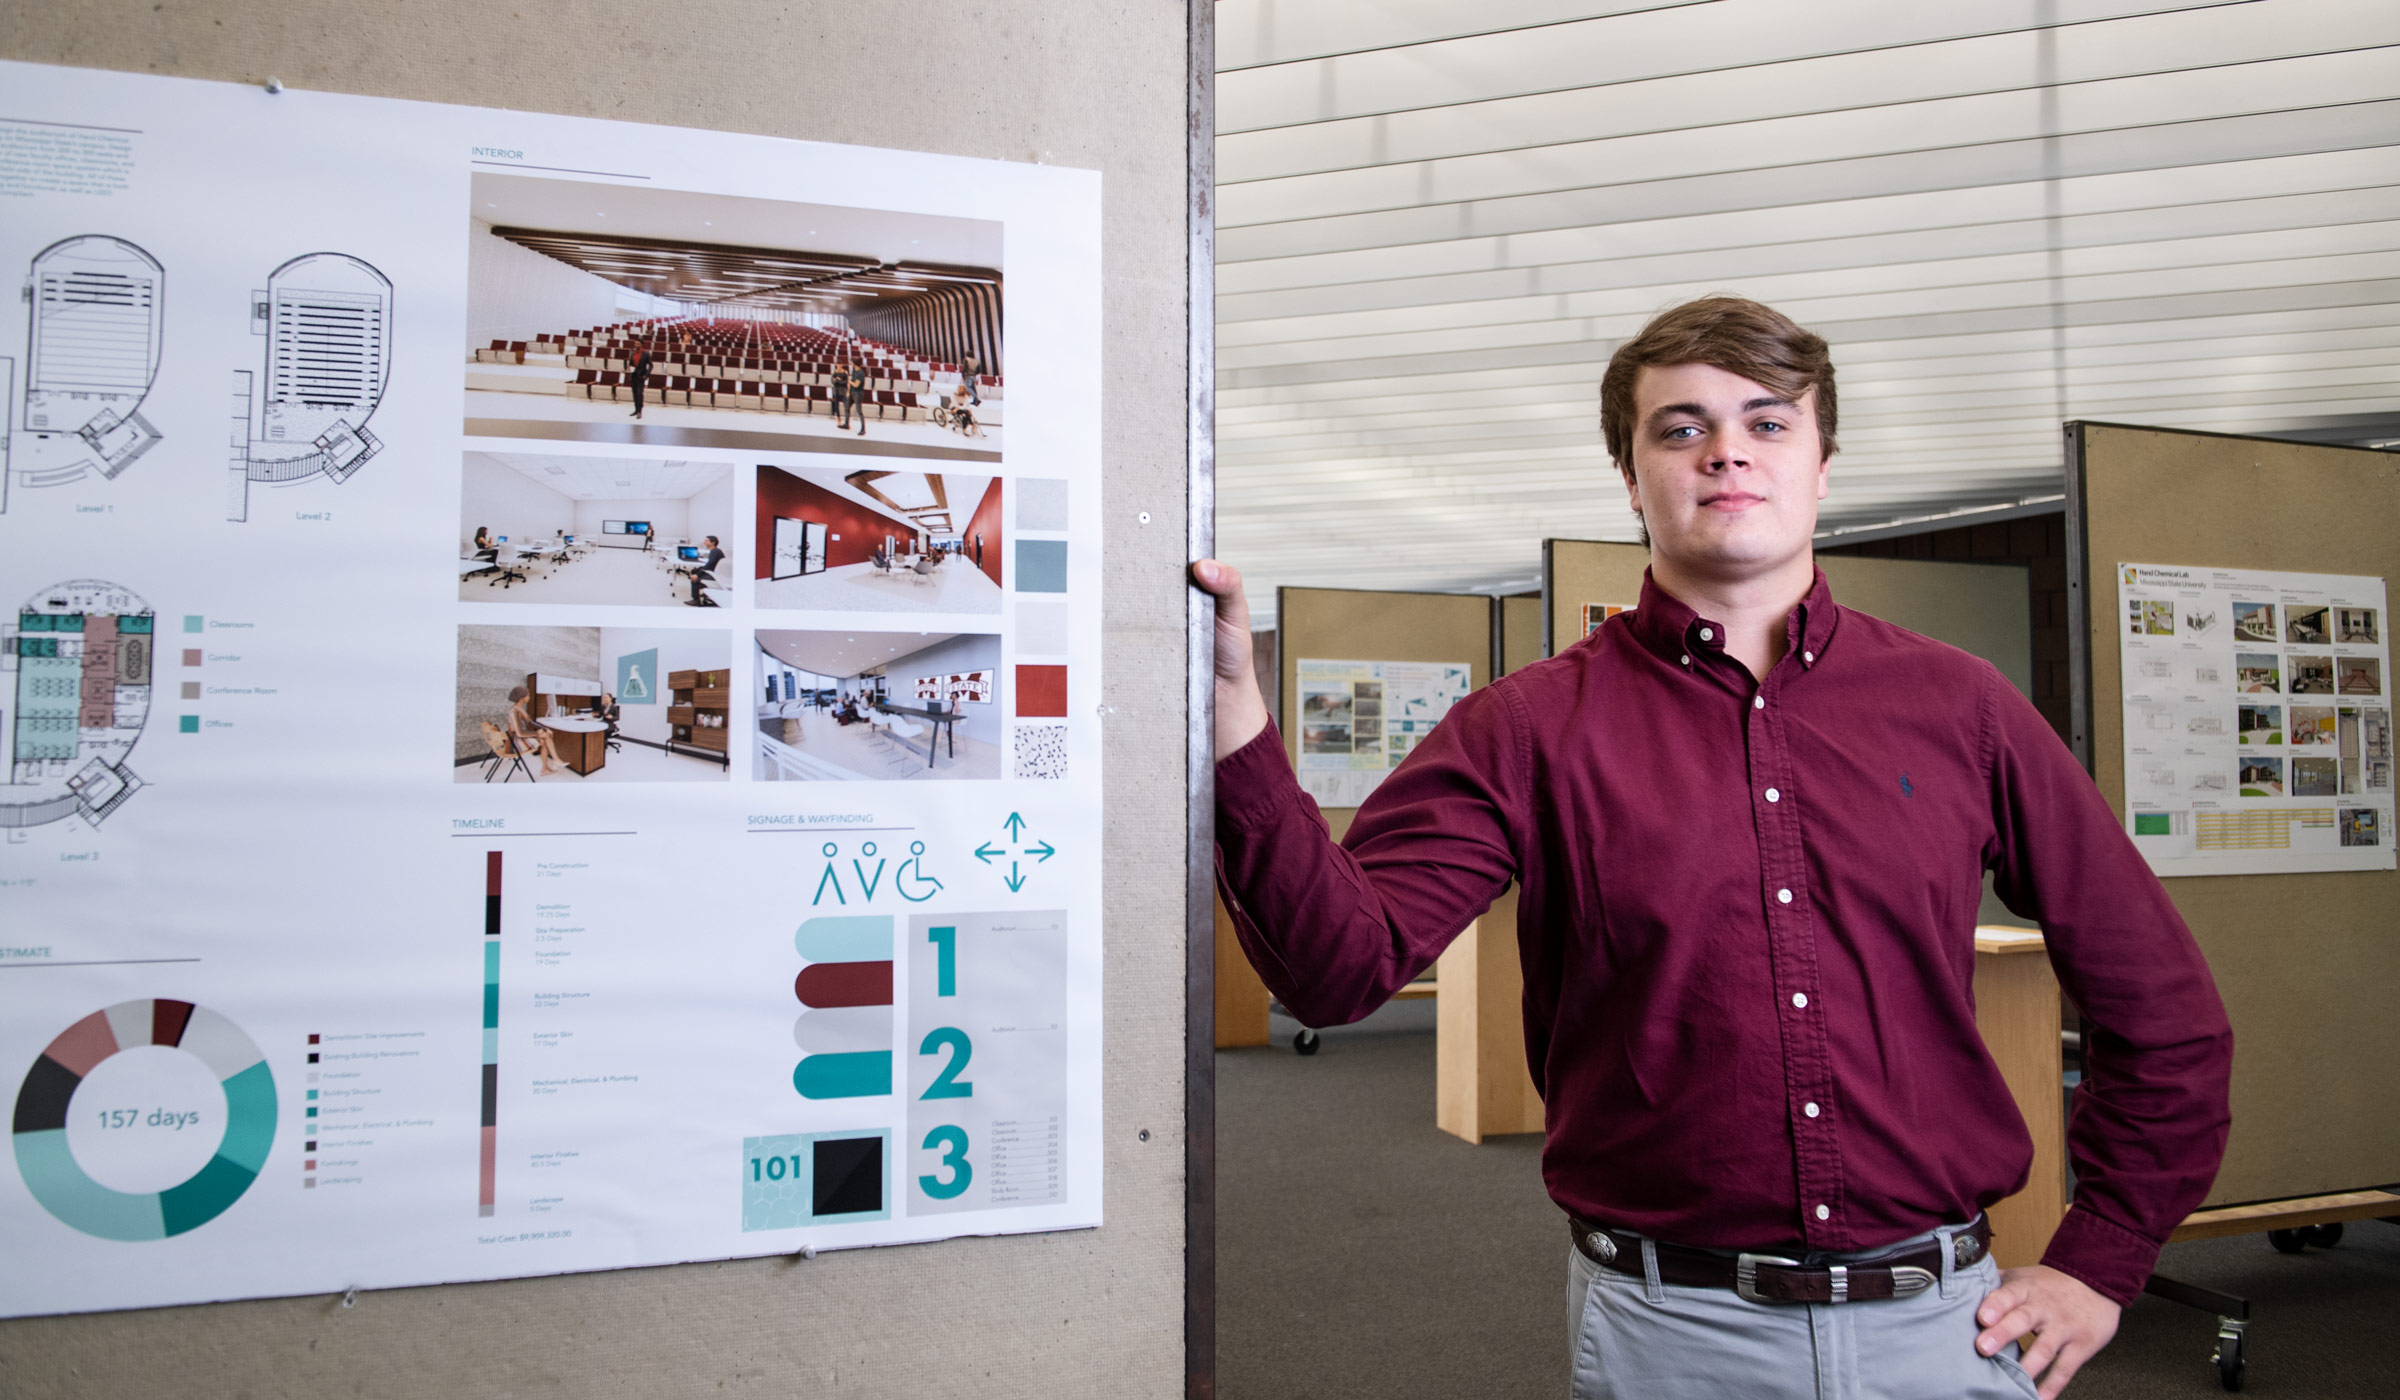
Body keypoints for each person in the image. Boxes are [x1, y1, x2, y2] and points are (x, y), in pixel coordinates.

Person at [1192, 296, 2232, 1400]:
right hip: (1674, 1337)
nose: (1727, 448)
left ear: (1822, 463)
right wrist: (1237, 730)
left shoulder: (1961, 707)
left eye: (1768, 422)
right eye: (1680, 427)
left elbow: (2165, 1009)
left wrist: (2101, 1258)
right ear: (1631, 478)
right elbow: (1337, 967)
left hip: (1948, 1330)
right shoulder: (1528, 726)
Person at [504, 685, 564, 777]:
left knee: (544, 738)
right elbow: (520, 733)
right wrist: (537, 733)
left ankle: (546, 767)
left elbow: (531, 722)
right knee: (546, 736)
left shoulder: (519, 709)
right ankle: (554, 760)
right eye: (528, 695)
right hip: (515, 742)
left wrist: (545, 729)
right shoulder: (515, 712)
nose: (529, 697)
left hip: (519, 737)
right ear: (522, 698)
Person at [682, 535, 726, 607]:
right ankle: (701, 595)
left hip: (715, 575)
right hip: (714, 571)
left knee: (695, 579)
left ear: (713, 542)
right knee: (694, 571)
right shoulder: (715, 551)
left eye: (706, 540)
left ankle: (696, 599)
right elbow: (710, 565)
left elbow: (709, 566)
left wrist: (698, 575)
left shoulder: (715, 552)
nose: (704, 542)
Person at [628, 345, 655, 419]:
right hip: (633, 375)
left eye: (637, 343)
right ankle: (636, 410)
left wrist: (646, 375)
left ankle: (640, 411)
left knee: (639, 394)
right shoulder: (633, 353)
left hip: (641, 376)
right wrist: (629, 367)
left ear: (641, 345)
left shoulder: (646, 354)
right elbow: (631, 363)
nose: (636, 345)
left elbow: (651, 365)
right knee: (635, 393)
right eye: (635, 343)